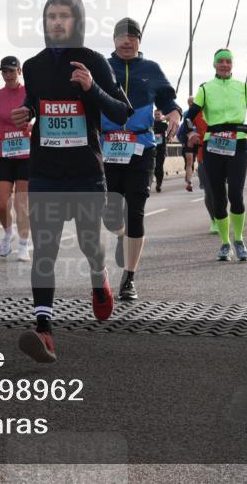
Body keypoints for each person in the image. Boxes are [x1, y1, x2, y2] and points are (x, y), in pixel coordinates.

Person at [10, 0, 132, 363]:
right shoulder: (33, 66)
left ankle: (99, 277)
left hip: (84, 172)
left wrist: (92, 87)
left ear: (76, 22)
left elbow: (122, 112)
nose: (57, 22)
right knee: (43, 249)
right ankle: (44, 330)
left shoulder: (93, 61)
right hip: (45, 172)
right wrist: (26, 111)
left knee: (88, 244)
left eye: (64, 16)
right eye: (51, 17)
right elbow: (35, 99)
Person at [100, 17, 181, 301]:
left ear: (139, 41)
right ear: (113, 40)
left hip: (141, 148)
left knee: (135, 212)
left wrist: (175, 114)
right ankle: (122, 235)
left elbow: (170, 102)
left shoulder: (151, 69)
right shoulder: (102, 67)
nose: (126, 41)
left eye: (132, 37)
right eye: (121, 37)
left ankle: (129, 278)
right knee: (111, 217)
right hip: (107, 150)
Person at [183, 48, 247, 261]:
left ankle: (240, 240)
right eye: (221, 62)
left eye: (228, 61)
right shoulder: (206, 89)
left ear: (232, 65)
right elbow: (190, 117)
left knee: (236, 193)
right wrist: (191, 132)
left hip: (238, 143)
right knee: (218, 196)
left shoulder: (243, 87)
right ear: (214, 65)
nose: (224, 65)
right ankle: (226, 243)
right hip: (213, 145)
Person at [0, 55, 32, 261]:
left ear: (19, 71)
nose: (8, 74)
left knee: (22, 203)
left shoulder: (29, 92)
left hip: (25, 154)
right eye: (4, 71)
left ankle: (23, 245)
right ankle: (8, 231)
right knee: (2, 204)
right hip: (4, 154)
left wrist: (33, 126)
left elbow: (41, 115)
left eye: (12, 70)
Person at [177, 115, 198, 191]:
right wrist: (183, 142)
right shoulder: (186, 122)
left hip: (199, 143)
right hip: (189, 144)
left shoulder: (202, 119)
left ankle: (206, 180)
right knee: (189, 162)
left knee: (200, 162)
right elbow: (178, 134)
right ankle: (189, 182)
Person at [152, 109, 169, 192]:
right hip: (152, 148)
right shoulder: (151, 124)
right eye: (155, 114)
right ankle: (156, 180)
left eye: (158, 114)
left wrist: (169, 137)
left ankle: (159, 183)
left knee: (159, 166)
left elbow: (170, 131)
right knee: (154, 166)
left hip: (161, 148)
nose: (157, 116)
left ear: (161, 115)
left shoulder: (164, 124)